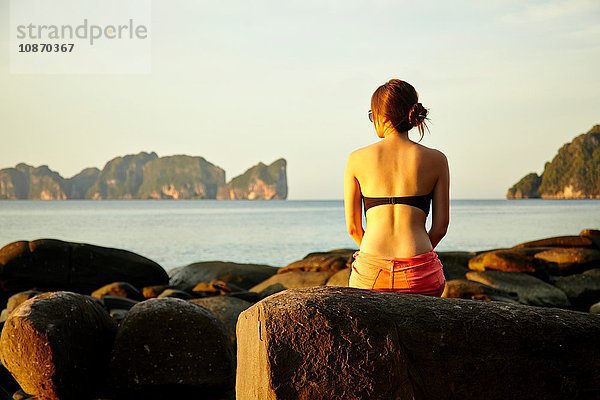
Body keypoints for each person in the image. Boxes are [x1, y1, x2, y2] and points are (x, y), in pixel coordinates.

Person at [344, 78, 450, 296]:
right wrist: (415, 260)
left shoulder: (356, 159)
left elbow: (354, 228)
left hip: (371, 273)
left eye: (372, 115)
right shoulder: (437, 160)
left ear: (382, 116)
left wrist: (375, 258)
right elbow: (440, 227)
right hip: (420, 272)